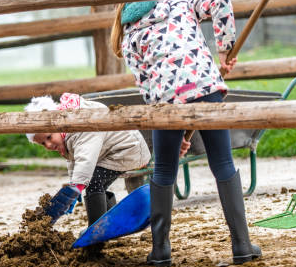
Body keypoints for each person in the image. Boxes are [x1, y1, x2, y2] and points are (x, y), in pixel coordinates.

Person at [110, 0, 262, 266]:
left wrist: (171, 132)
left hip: (165, 103)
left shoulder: (129, 35)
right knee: (223, 163)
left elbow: (146, 88)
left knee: (164, 170)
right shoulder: (180, 3)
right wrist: (224, 49)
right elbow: (221, 1)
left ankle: (160, 250)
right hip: (206, 88)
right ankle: (241, 245)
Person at [25, 93, 190, 232]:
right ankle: (109, 220)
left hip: (128, 151)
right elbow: (76, 160)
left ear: (57, 125)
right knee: (92, 181)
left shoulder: (82, 124)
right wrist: (73, 185)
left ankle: (96, 230)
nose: (48, 145)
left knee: (94, 181)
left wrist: (76, 187)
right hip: (111, 153)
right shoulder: (66, 132)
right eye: (42, 143)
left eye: (48, 137)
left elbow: (86, 160)